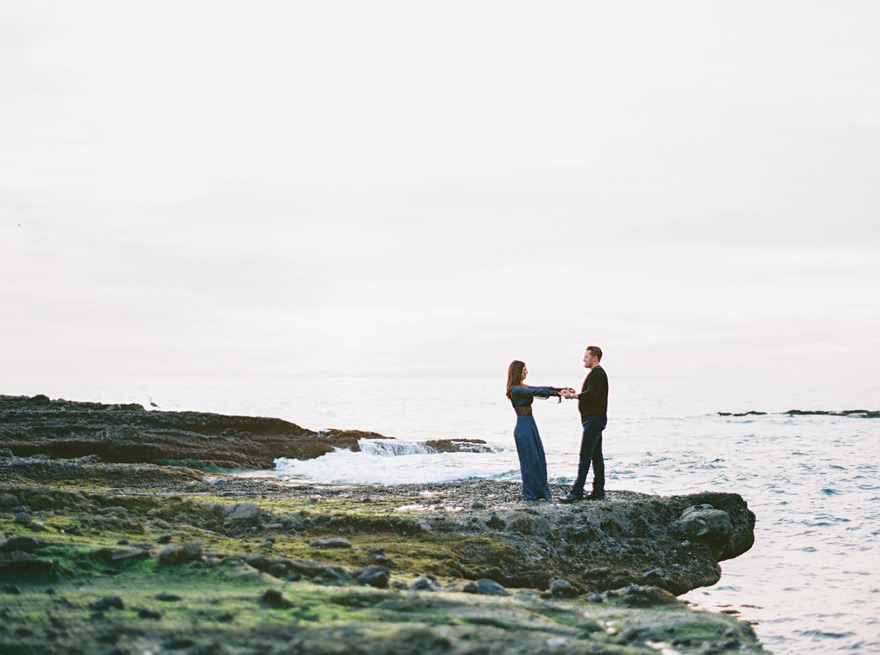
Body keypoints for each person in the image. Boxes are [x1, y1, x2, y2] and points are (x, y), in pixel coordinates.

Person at [506, 360, 573, 501]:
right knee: (530, 461)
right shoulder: (516, 389)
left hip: (530, 424)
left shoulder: (522, 387)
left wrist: (561, 390)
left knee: (538, 458)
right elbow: (536, 391)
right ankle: (532, 494)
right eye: (524, 369)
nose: (527, 372)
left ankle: (539, 493)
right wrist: (558, 392)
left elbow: (540, 389)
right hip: (523, 427)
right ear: (518, 371)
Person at [560, 346, 609, 502]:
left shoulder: (597, 373)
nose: (584, 359)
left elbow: (592, 394)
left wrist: (573, 396)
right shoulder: (596, 374)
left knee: (585, 455)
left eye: (586, 356)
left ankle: (577, 491)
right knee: (596, 456)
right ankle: (598, 491)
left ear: (595, 358)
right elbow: (592, 393)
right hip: (594, 419)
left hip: (594, 419)